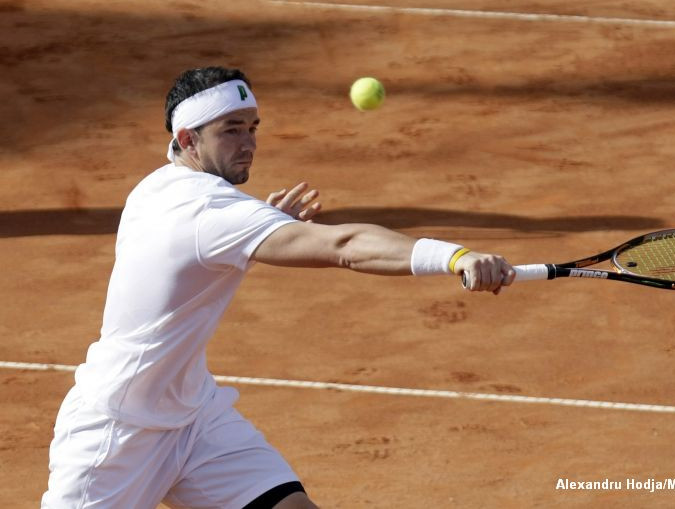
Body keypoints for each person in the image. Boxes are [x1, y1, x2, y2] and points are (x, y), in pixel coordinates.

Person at [42, 66, 516, 509]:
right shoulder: (211, 213)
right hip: (116, 434)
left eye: (252, 127)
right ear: (188, 139)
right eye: (230, 129)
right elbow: (345, 246)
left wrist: (266, 225)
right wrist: (455, 256)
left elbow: (200, 246)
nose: (248, 142)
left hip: (194, 417)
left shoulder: (159, 187)